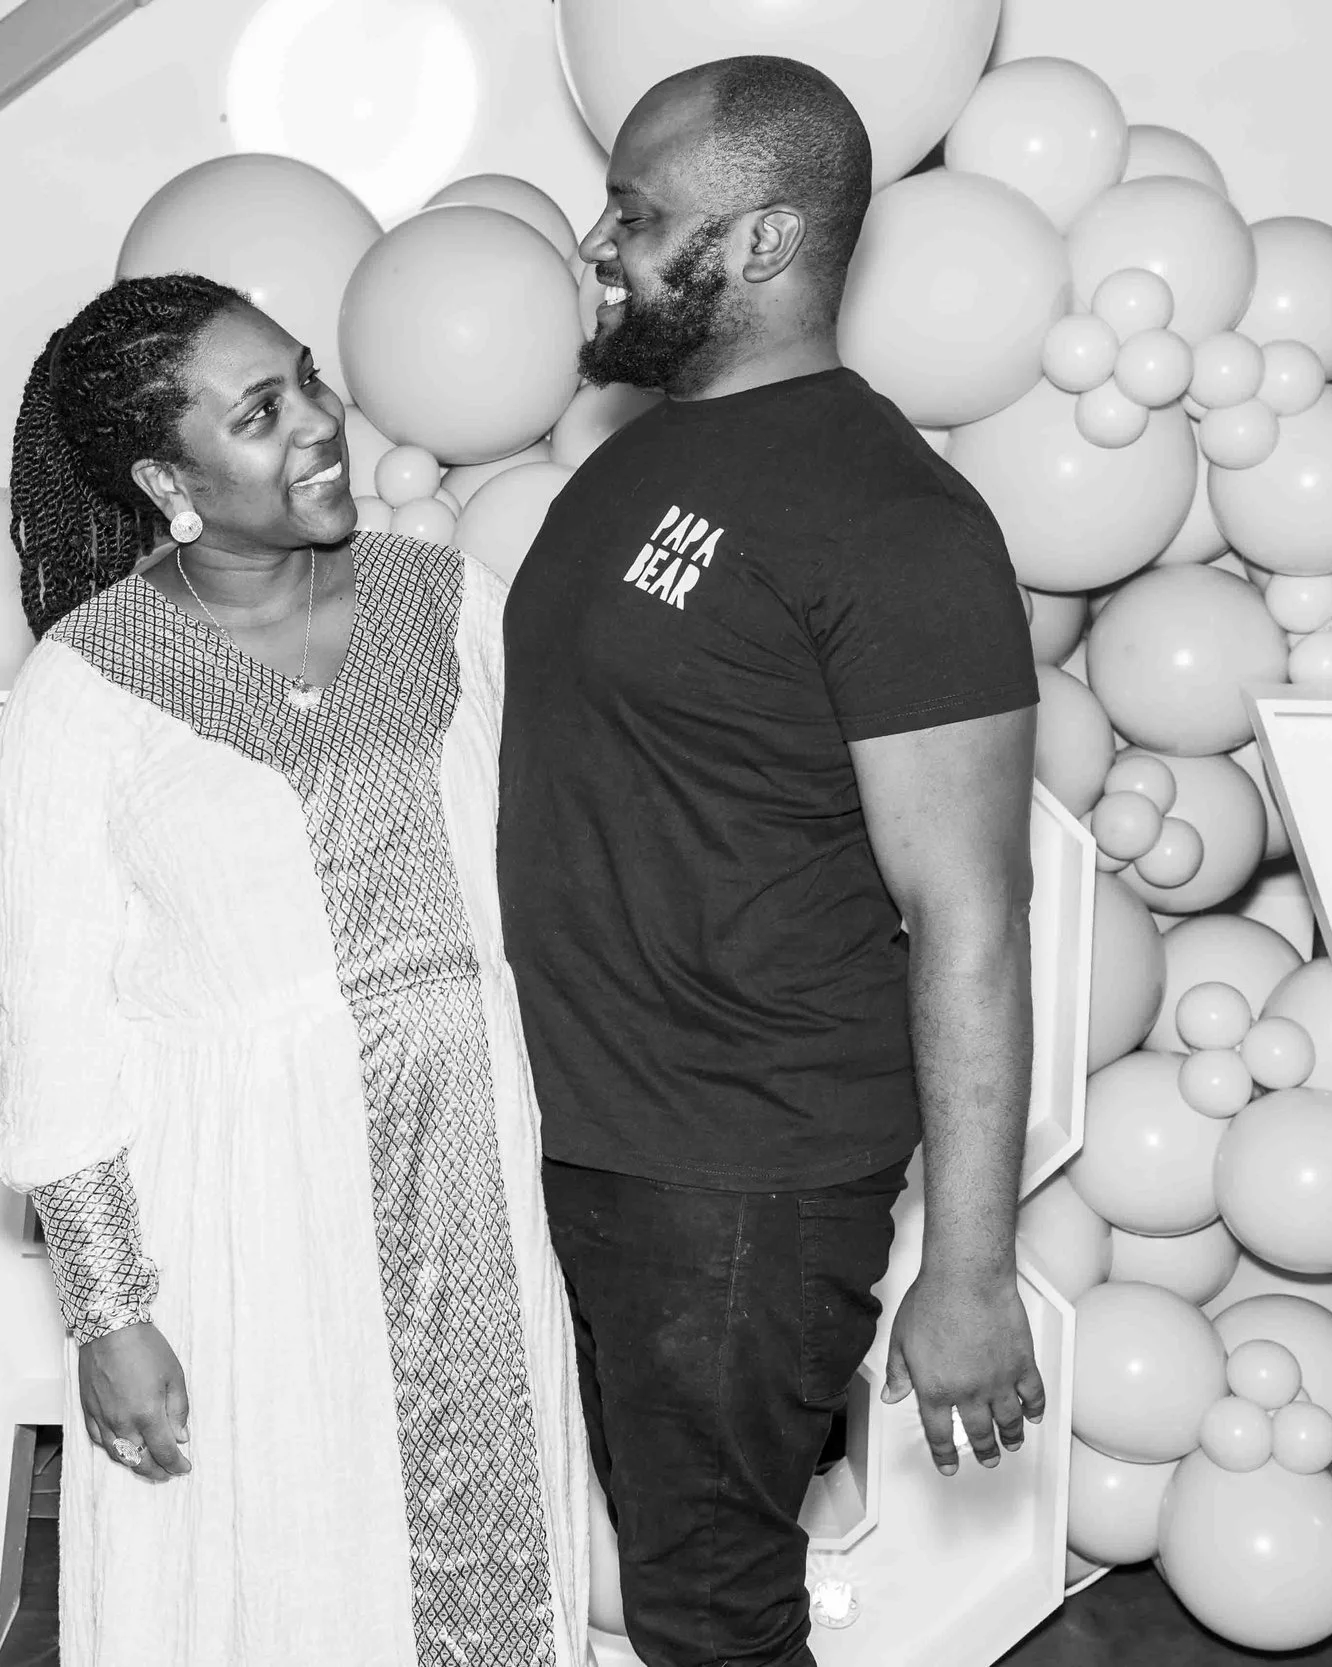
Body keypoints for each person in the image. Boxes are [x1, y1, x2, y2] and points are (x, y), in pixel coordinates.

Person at [497, 55, 1048, 1667]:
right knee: (683, 1591)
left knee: (710, 1617)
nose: (601, 244)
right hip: (609, 1141)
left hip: (736, 1175)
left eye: (640, 214)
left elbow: (971, 912)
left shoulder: (894, 518)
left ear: (763, 244)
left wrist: (970, 1268)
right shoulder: (641, 457)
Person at [0, 271, 592, 1667]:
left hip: (485, 1175)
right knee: (294, 1567)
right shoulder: (86, 685)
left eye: (309, 380)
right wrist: (110, 1312)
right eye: (261, 413)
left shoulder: (453, 598)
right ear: (164, 475)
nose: (319, 422)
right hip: (247, 1209)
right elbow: (56, 1019)